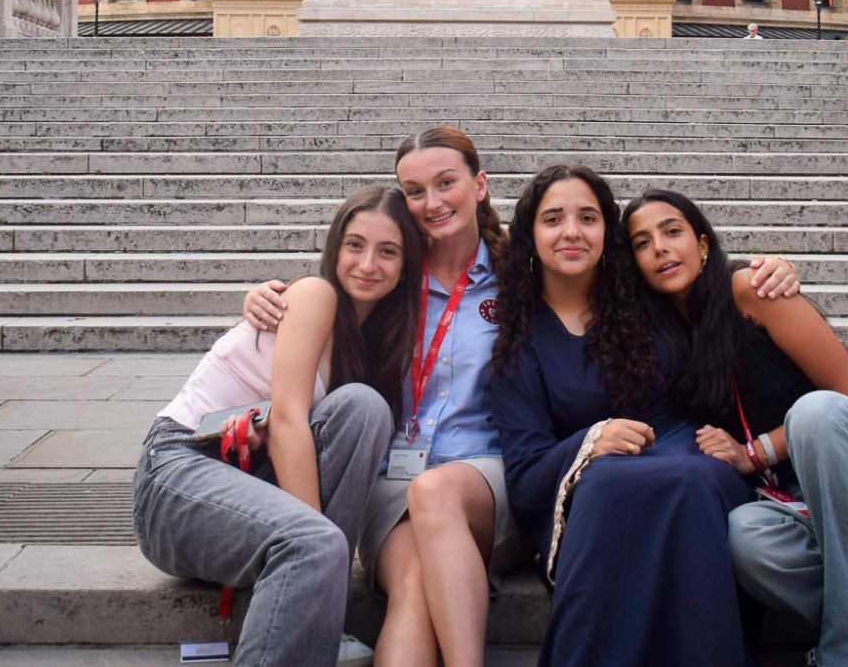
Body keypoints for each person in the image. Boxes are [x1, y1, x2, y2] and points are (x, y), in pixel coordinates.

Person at [242, 129, 804, 667]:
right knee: (411, 583)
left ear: (480, 185)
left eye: (446, 183)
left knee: (441, 493)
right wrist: (273, 298)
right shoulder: (391, 269)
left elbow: (676, 281)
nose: (432, 202)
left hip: (486, 473)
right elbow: (340, 285)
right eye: (415, 191)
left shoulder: (514, 276)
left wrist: (760, 272)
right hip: (399, 477)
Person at [621, 188, 848, 667]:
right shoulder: (665, 341)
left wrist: (754, 452)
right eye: (642, 243)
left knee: (815, 413)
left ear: (703, 244)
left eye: (672, 231)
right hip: (799, 506)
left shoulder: (750, 289)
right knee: (746, 542)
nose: (659, 248)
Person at [133, 186, 418, 667]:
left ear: (406, 265)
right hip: (179, 475)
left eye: (387, 251)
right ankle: (317, 582)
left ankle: (314, 592)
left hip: (248, 487)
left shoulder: (371, 339)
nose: (368, 264)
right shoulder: (314, 294)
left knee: (366, 407)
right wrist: (319, 544)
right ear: (335, 248)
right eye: (355, 245)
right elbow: (286, 420)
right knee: (315, 542)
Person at [492, 165, 754, 667]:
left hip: (691, 457)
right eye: (553, 219)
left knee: (689, 482)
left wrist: (767, 270)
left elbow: (712, 284)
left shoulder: (644, 295)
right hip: (591, 486)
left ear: (606, 232)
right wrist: (589, 442)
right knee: (609, 483)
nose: (571, 232)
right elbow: (524, 480)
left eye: (587, 218)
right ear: (530, 236)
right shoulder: (519, 343)